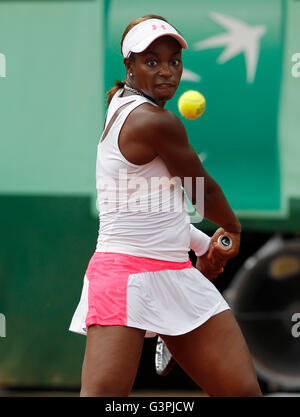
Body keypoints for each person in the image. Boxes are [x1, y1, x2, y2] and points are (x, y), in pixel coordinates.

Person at [69, 14, 262, 397]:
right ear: (130, 66)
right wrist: (233, 229)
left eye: (174, 61)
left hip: (176, 274)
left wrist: (202, 245)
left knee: (242, 393)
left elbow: (150, 210)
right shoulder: (153, 121)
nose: (167, 72)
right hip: (122, 276)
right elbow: (201, 193)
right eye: (151, 61)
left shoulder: (120, 103)